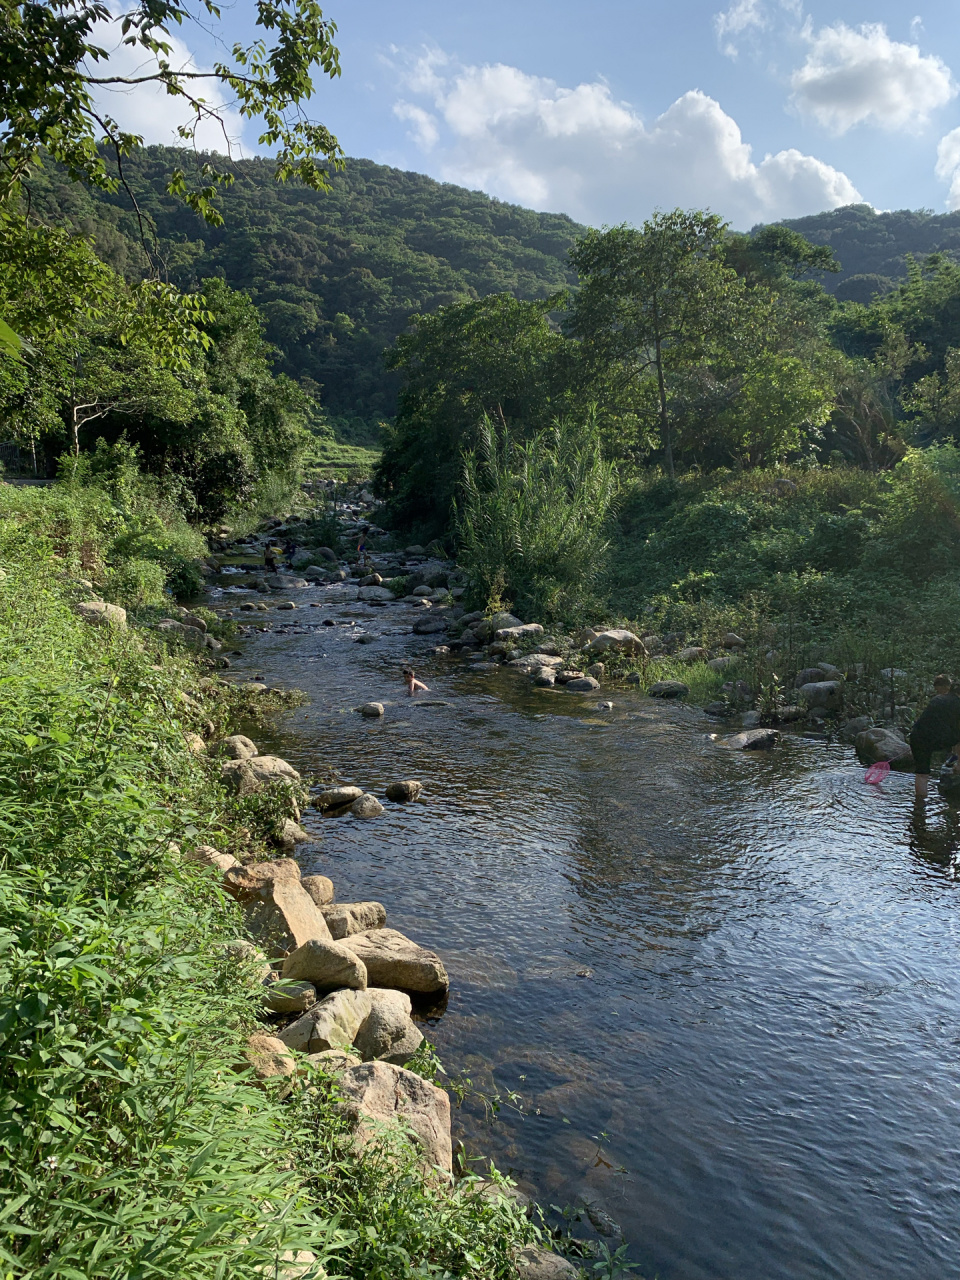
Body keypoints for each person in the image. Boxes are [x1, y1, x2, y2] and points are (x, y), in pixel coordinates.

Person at [910, 674, 960, 798]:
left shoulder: (938, 699)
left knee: (922, 774)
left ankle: (920, 804)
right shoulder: (957, 704)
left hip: (917, 737)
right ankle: (957, 764)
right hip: (938, 739)